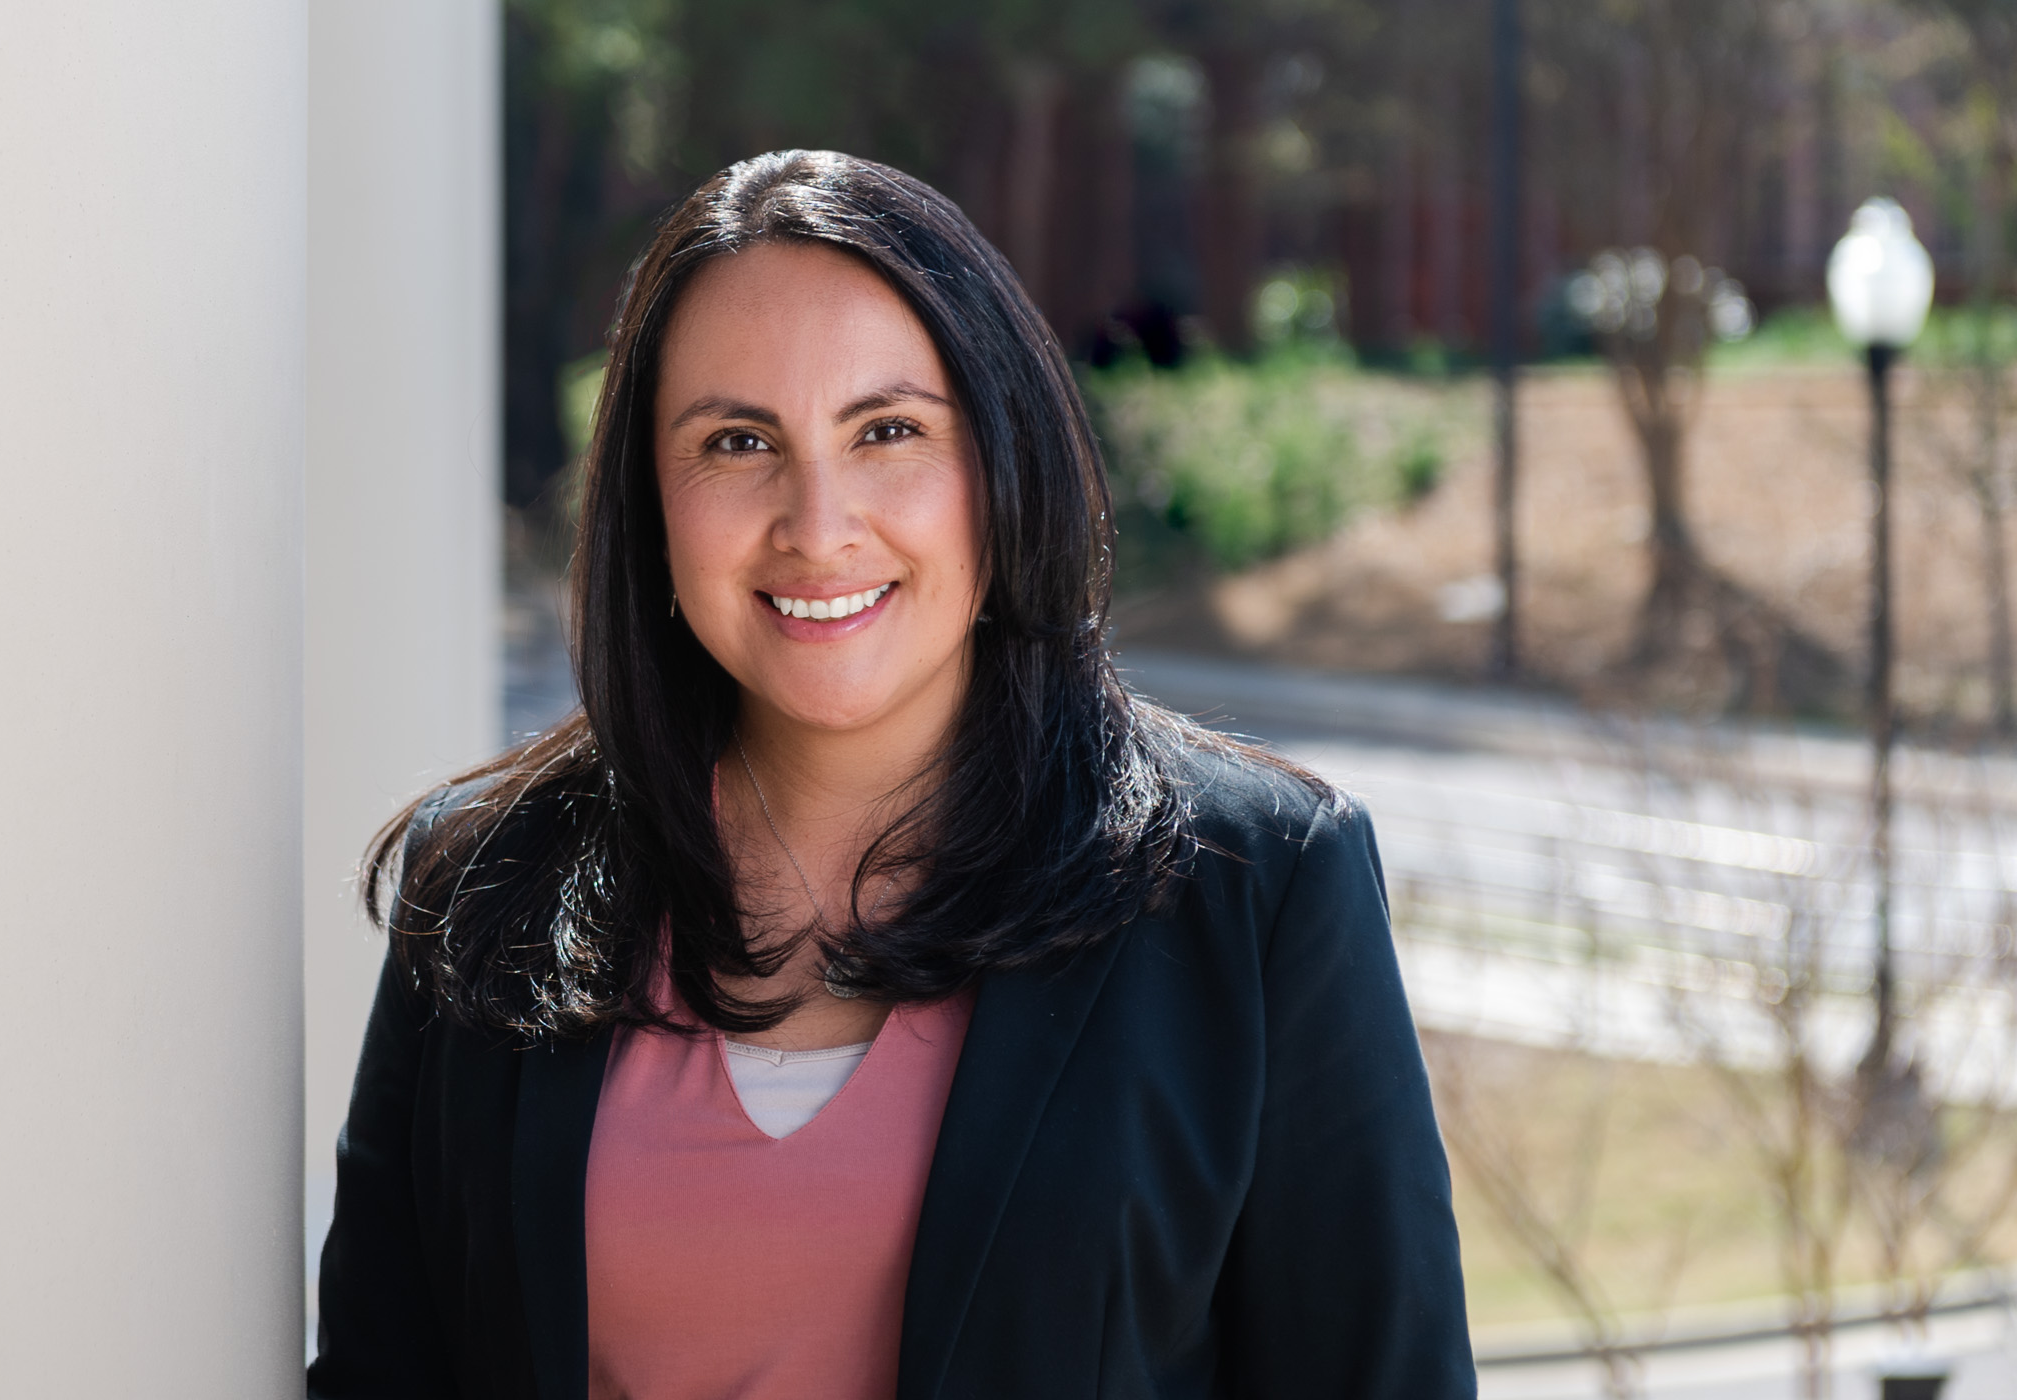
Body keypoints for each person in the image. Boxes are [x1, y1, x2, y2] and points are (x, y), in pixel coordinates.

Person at [308, 149, 1473, 1400]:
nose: (818, 522)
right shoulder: (485, 884)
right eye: (739, 440)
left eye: (889, 430)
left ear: (1002, 456)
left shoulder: (1256, 889)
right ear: (650, 499)